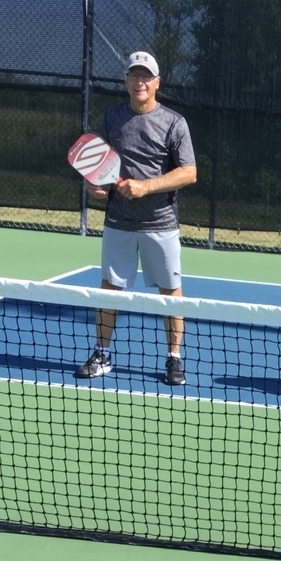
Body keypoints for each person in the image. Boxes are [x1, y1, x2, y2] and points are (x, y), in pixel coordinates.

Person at [75, 50, 198, 385]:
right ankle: (102, 354)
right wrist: (92, 187)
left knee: (171, 291)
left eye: (146, 76)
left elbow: (189, 173)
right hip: (118, 223)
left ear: (157, 83)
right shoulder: (112, 118)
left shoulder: (174, 123)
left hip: (161, 224)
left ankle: (174, 359)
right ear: (126, 81)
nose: (140, 81)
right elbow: (93, 160)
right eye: (134, 75)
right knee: (108, 290)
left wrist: (146, 187)